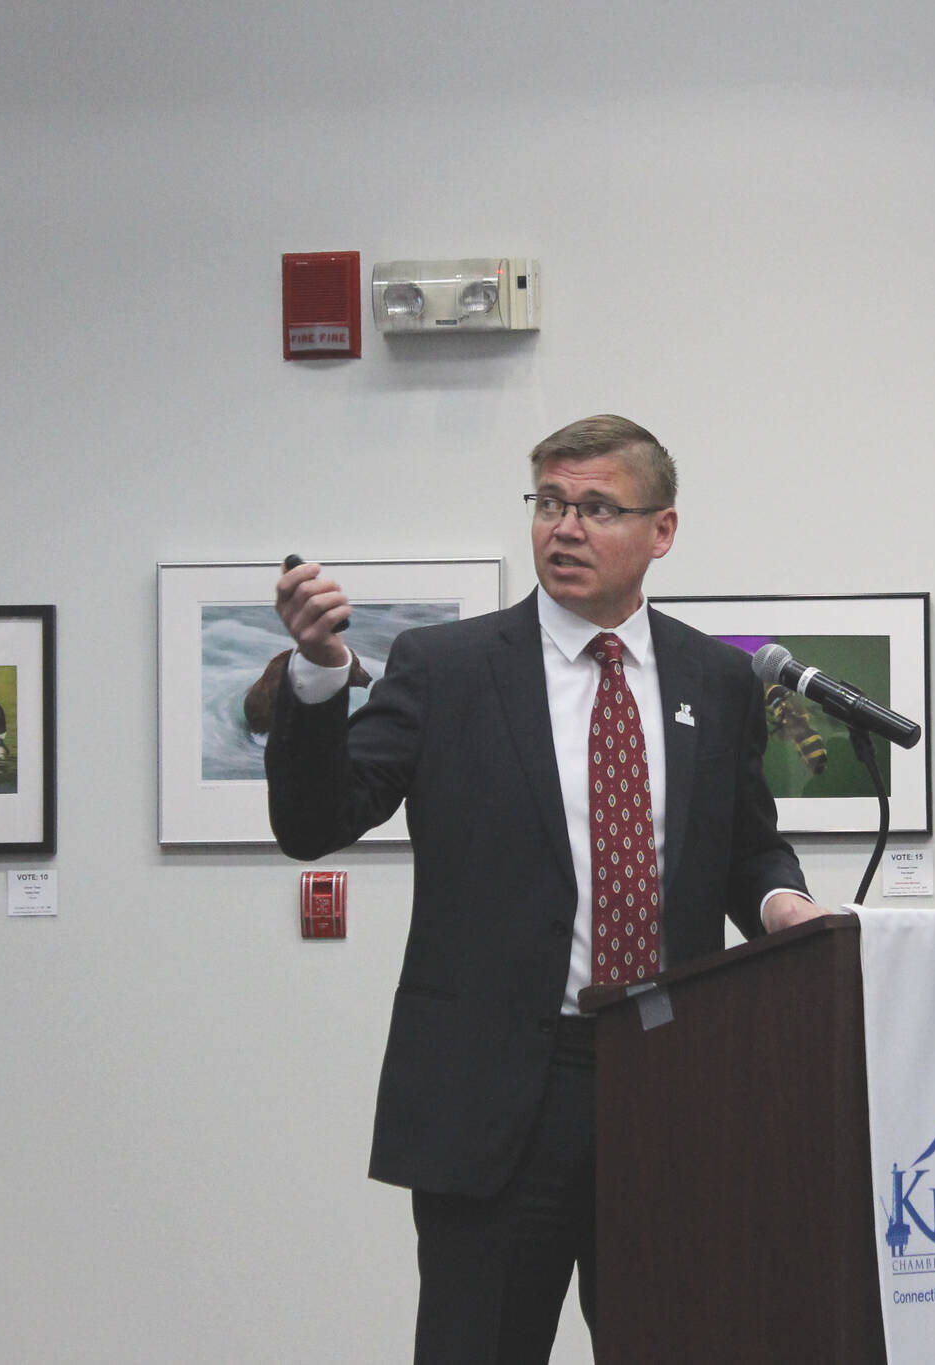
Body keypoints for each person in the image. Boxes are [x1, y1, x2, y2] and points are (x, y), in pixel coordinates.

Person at [265, 414, 828, 1364]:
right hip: (496, 1095)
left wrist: (784, 904)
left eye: (597, 507)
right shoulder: (447, 668)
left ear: (662, 530)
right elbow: (313, 824)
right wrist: (319, 679)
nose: (565, 528)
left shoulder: (716, 680)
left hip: (670, 1081)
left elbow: (747, 849)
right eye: (550, 503)